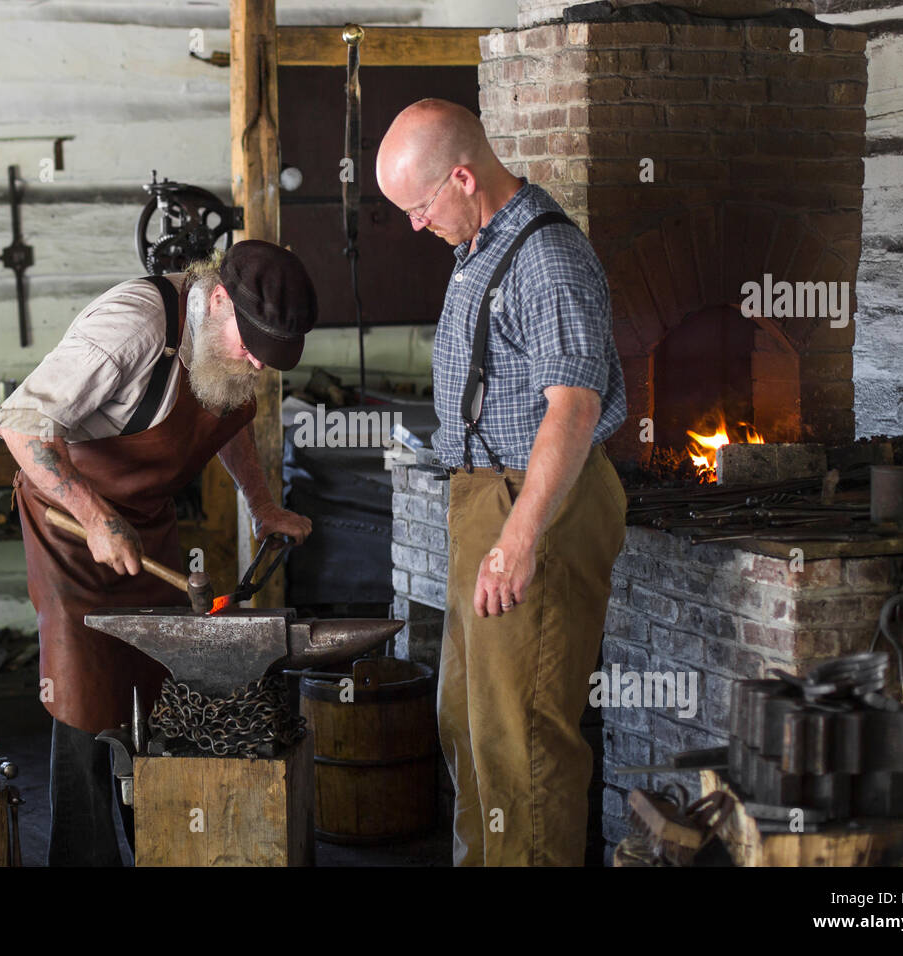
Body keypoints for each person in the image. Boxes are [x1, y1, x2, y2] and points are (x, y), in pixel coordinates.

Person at [0, 240, 316, 865]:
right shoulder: (133, 326)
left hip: (146, 526)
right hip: (71, 529)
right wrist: (94, 517)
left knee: (161, 687)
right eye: (249, 346)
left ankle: (160, 845)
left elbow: (230, 417)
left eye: (265, 358)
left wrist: (262, 505)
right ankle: (83, 856)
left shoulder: (229, 350)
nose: (253, 363)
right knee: (86, 696)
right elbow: (20, 422)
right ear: (218, 298)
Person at [376, 98, 628, 866]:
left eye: (420, 206)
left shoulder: (545, 259)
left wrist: (518, 543)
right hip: (487, 499)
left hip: (536, 505)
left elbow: (574, 409)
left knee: (523, 739)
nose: (417, 225)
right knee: (471, 721)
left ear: (461, 176)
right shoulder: (483, 246)